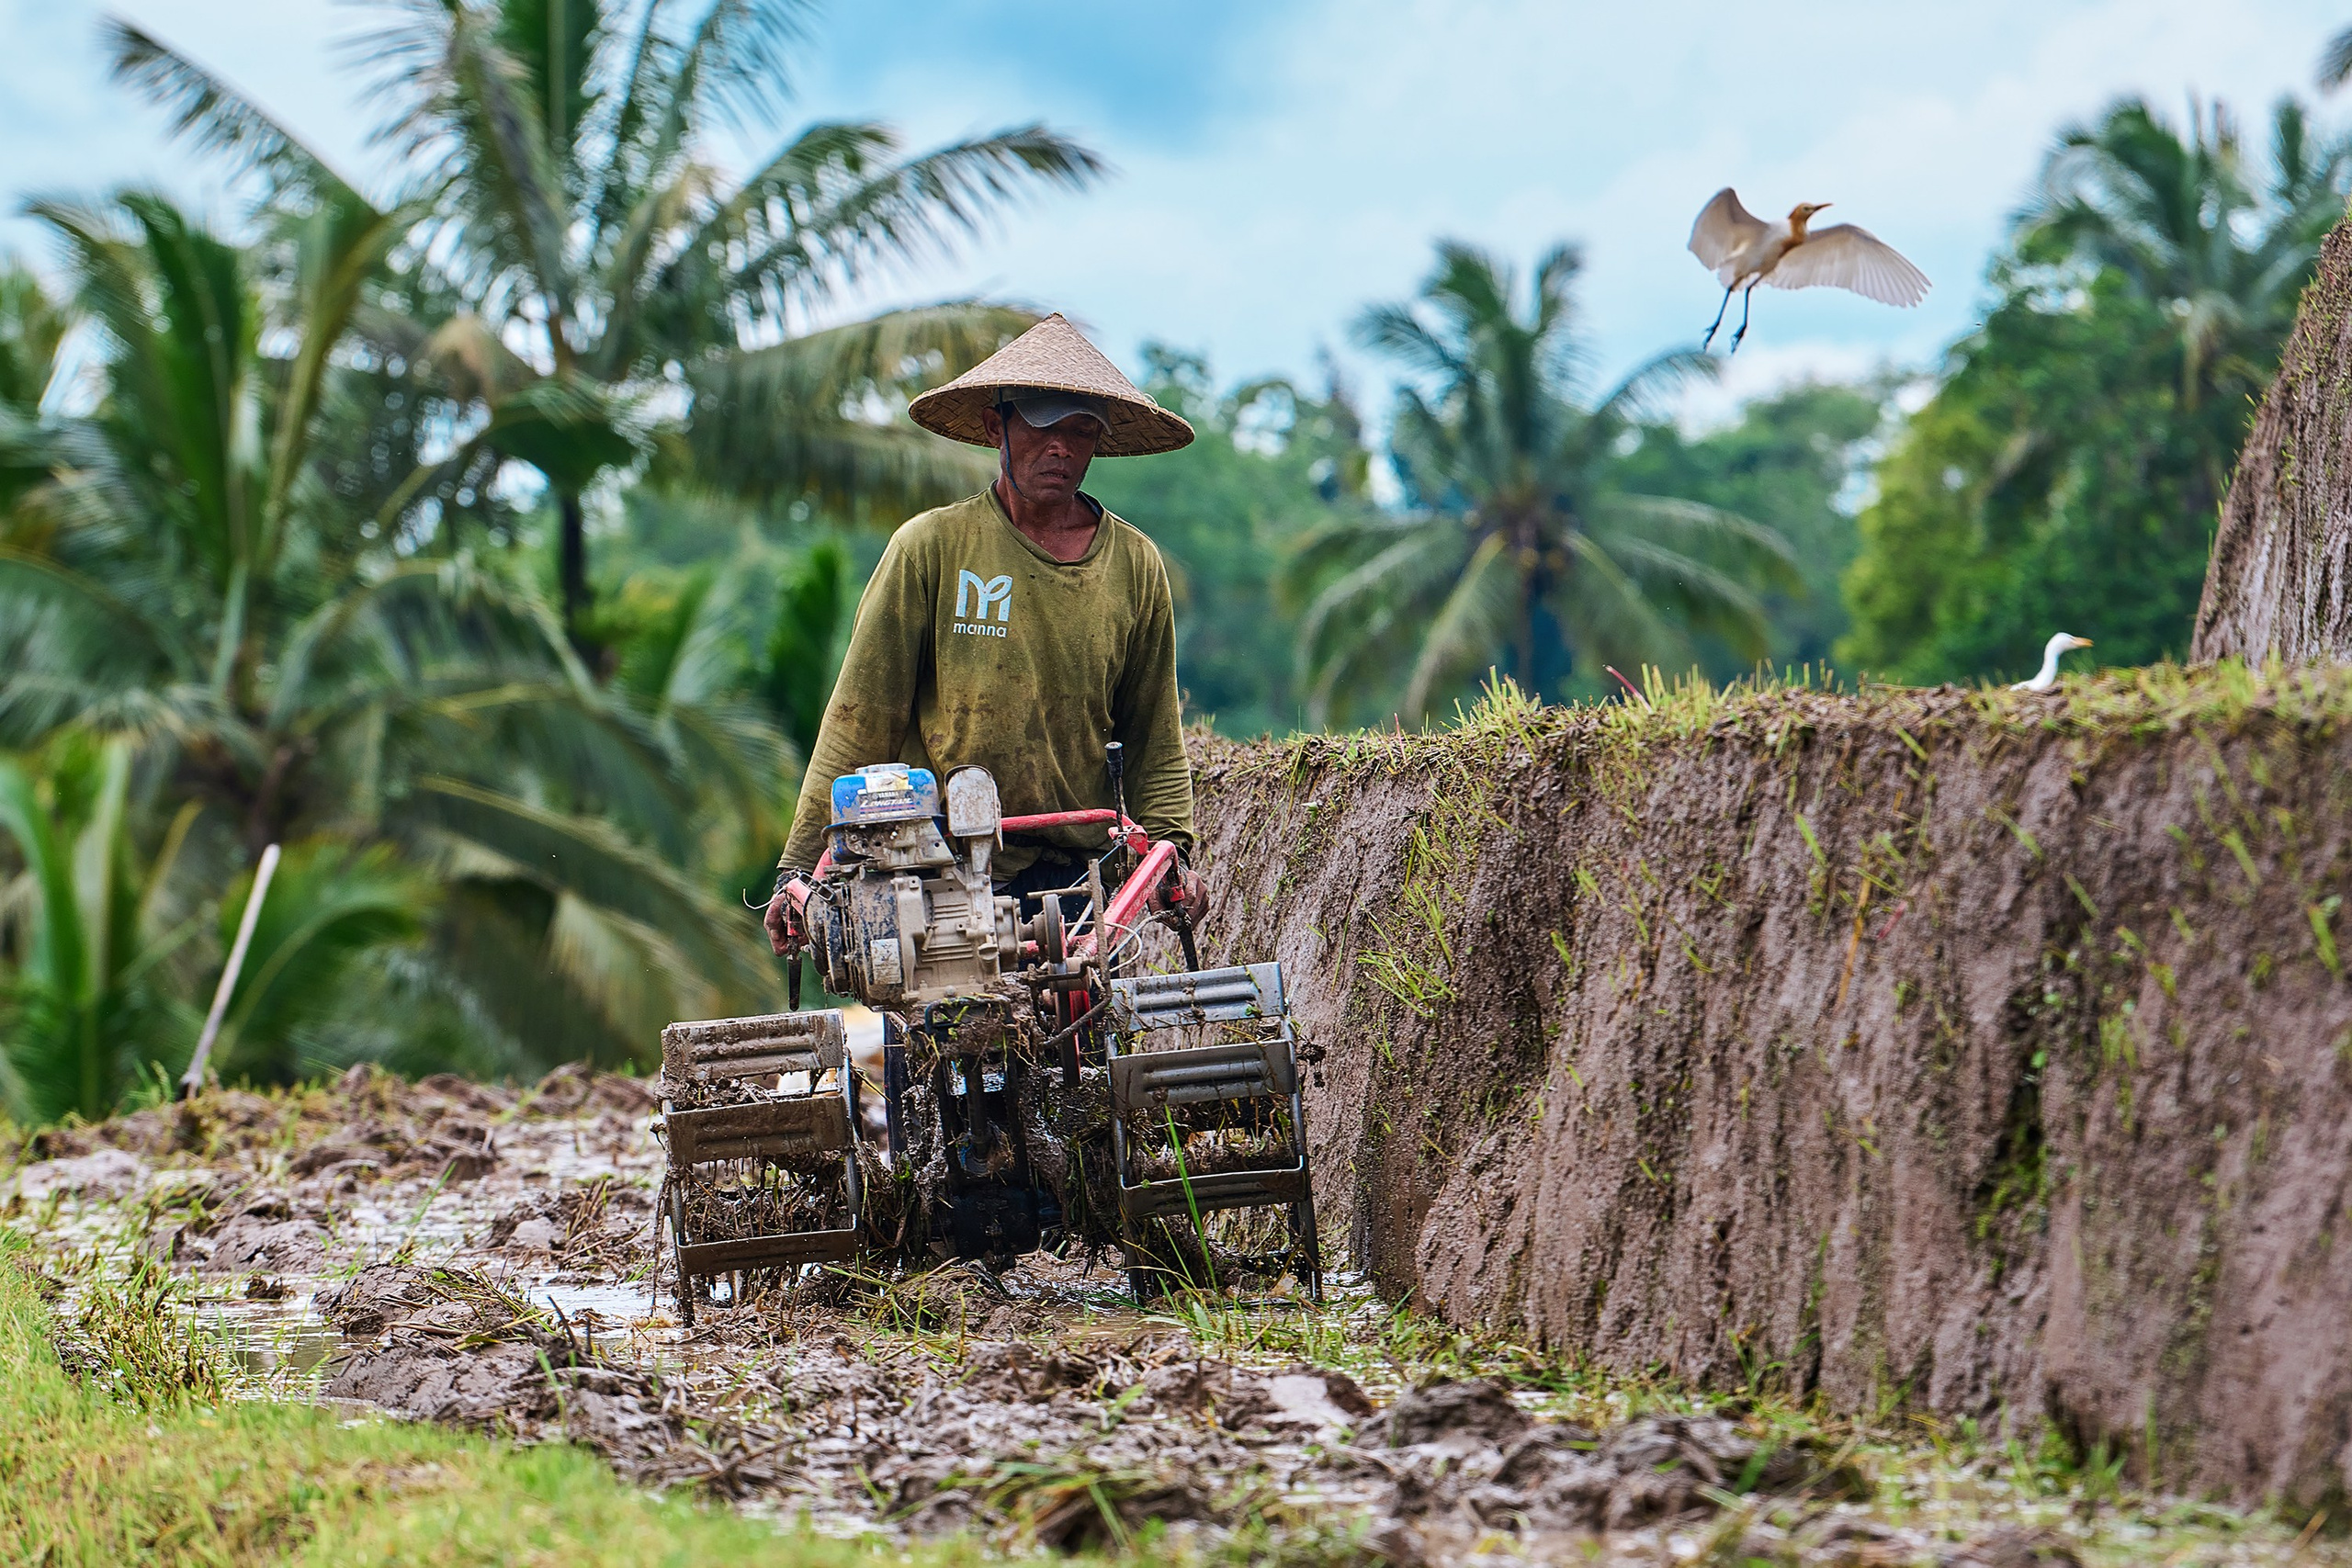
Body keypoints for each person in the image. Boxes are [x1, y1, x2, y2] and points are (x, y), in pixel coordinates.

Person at [763, 313, 1207, 957]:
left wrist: (1174, 853)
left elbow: (1153, 733)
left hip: (1079, 873)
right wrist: (799, 871)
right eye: (1043, 427)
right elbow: (862, 717)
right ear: (997, 426)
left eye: (1080, 430)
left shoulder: (1134, 566)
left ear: (1097, 440)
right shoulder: (932, 548)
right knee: (939, 1017)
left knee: (1081, 1015)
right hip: (938, 865)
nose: (1061, 448)